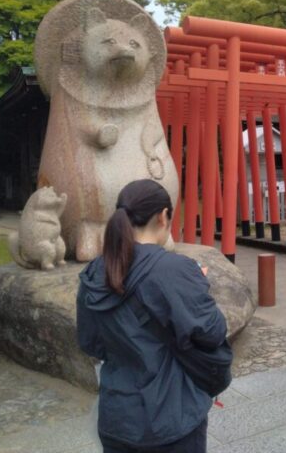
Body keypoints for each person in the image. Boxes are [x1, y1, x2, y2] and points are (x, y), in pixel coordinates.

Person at [77, 179, 227, 453]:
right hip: (172, 417)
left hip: (117, 417)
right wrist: (198, 286)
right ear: (163, 216)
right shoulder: (175, 269)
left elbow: (90, 342)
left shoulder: (95, 271)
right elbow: (213, 331)